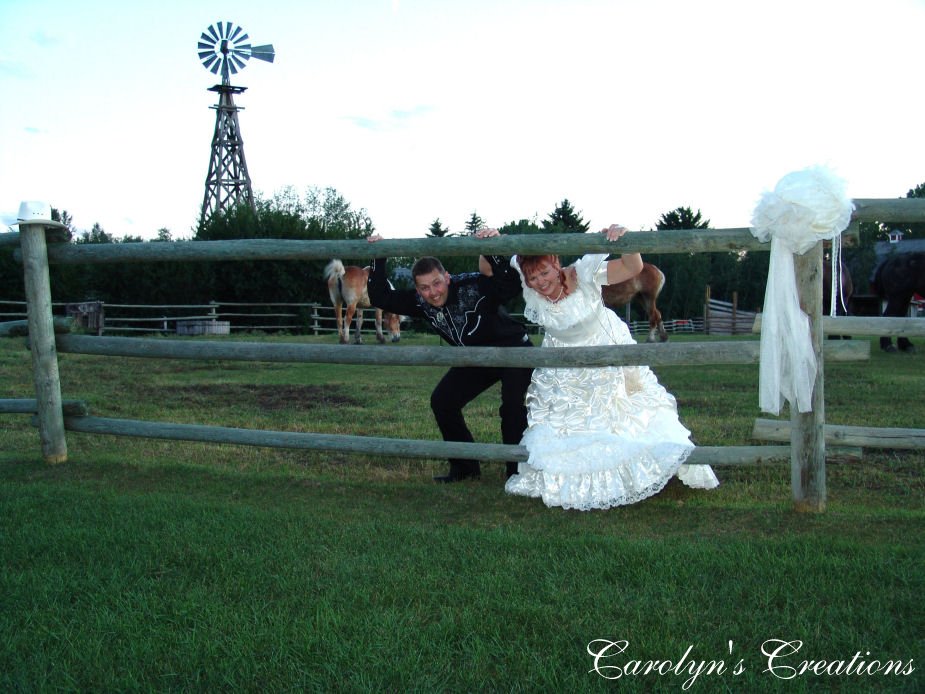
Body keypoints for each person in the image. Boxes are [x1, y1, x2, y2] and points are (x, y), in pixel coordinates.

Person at [485, 224, 719, 510]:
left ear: (556, 262)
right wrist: (491, 240)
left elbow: (633, 266)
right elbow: (487, 267)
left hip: (603, 349)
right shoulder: (525, 271)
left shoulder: (585, 273)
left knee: (621, 414)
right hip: (560, 363)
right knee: (564, 424)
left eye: (545, 273)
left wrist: (624, 238)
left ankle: (641, 472)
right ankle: (570, 478)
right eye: (533, 278)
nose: (540, 282)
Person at [366, 231, 533, 483]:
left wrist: (491, 246)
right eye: (424, 287)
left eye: (437, 283)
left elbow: (509, 286)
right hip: (476, 359)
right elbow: (381, 297)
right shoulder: (420, 302)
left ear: (447, 277)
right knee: (443, 401)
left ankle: (518, 473)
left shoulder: (472, 285)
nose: (432, 292)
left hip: (513, 351)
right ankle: (465, 467)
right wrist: (378, 258)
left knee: (511, 405)